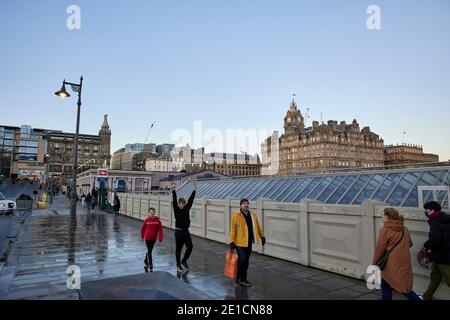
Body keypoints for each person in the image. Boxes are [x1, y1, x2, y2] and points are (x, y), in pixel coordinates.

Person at [372, 208, 421, 300]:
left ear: (388, 217)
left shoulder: (384, 230)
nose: (381, 217)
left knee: (403, 289)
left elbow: (379, 249)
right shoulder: (404, 228)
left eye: (383, 215)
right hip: (403, 261)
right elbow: (410, 244)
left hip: (390, 263)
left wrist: (374, 263)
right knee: (391, 282)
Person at [229, 198, 265, 287]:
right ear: (240, 205)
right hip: (239, 243)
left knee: (246, 261)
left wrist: (262, 236)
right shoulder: (236, 216)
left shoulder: (253, 215)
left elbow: (258, 226)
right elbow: (233, 230)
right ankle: (239, 277)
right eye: (244, 203)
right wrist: (231, 241)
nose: (246, 205)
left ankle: (242, 278)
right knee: (243, 259)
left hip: (249, 242)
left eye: (247, 203)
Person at [421, 201, 450, 300]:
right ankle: (427, 296)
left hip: (442, 256)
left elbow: (435, 240)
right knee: (435, 277)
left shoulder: (435, 223)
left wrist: (425, 245)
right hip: (443, 254)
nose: (426, 213)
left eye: (427, 210)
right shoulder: (446, 219)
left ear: (432, 211)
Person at [172, 180, 196, 273]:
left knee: (190, 247)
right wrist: (173, 189)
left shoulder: (187, 208)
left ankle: (184, 260)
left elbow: (191, 199)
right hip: (178, 232)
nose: (181, 205)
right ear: (178, 204)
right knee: (178, 249)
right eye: (180, 204)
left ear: (184, 204)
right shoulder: (176, 209)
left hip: (186, 231)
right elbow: (174, 199)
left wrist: (194, 189)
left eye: (183, 203)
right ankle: (178, 265)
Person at [140, 207, 163, 272]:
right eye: (150, 212)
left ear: (154, 213)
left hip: (154, 238)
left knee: (149, 250)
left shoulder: (158, 221)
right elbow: (143, 229)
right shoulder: (146, 220)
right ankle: (151, 265)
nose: (152, 214)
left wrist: (160, 238)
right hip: (147, 238)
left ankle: (145, 260)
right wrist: (142, 237)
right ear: (148, 213)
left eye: (153, 212)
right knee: (150, 251)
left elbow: (160, 230)